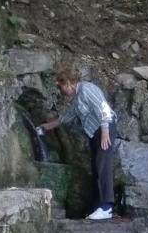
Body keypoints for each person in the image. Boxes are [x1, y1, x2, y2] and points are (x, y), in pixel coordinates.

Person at [37, 67, 118, 220]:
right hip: (95, 133)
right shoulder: (77, 98)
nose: (59, 89)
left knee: (103, 166)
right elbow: (66, 117)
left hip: (104, 129)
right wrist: (46, 127)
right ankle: (97, 206)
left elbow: (103, 108)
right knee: (96, 168)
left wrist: (105, 131)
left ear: (68, 83)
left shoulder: (87, 89)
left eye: (60, 86)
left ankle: (107, 207)